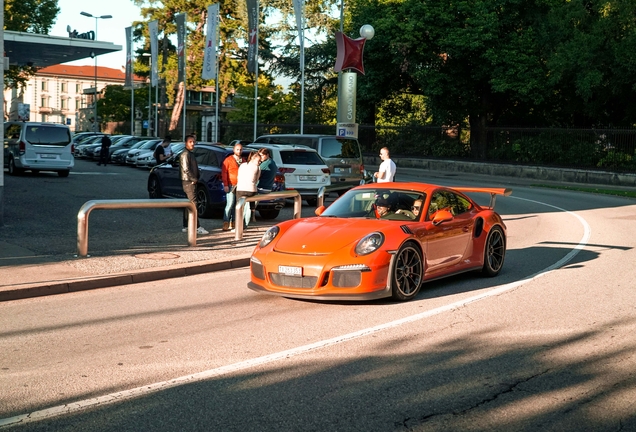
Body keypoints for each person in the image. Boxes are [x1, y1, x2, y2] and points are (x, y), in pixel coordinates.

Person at [179, 134, 209, 235]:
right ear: (186, 143)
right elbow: (186, 168)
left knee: (188, 204)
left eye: (193, 142)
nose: (193, 143)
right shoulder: (185, 154)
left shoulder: (189, 153)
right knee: (193, 204)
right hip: (188, 182)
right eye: (190, 142)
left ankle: (186, 225)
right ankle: (196, 226)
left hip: (189, 181)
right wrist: (194, 179)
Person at [235, 151, 261, 230]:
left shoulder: (242, 165)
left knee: (239, 208)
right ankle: (247, 221)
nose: (260, 162)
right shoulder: (257, 168)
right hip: (251, 190)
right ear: (253, 159)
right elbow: (256, 180)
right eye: (259, 161)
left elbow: (238, 177)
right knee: (249, 207)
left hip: (240, 189)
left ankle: (238, 226)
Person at [221, 143, 244, 231]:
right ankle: (226, 222)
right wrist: (226, 184)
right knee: (230, 204)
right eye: (237, 149)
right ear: (234, 150)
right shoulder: (228, 160)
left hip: (240, 185)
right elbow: (224, 173)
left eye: (241, 149)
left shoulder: (243, 160)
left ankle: (234, 222)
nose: (239, 151)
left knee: (237, 205)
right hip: (231, 185)